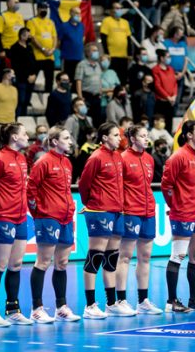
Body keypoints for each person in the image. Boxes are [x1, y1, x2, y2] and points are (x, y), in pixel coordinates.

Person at [26, 127, 81, 323]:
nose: (70, 141)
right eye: (66, 138)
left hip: (66, 218)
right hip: (48, 217)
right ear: (55, 141)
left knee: (62, 263)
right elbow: (30, 190)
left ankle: (61, 307)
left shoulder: (67, 162)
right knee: (43, 261)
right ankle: (36, 308)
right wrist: (39, 213)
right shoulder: (43, 162)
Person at [0, 123, 33, 327]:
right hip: (2, 217)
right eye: (24, 133)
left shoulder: (21, 158)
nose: (27, 136)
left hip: (20, 218)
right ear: (14, 137)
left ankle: (12, 310)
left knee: (16, 264)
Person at [78, 122, 131, 318]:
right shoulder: (96, 157)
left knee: (111, 257)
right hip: (99, 210)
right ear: (105, 137)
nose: (120, 138)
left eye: (119, 135)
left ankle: (111, 303)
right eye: (116, 135)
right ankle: (90, 305)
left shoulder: (117, 156)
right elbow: (83, 184)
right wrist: (91, 204)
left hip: (117, 211)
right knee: (95, 256)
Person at [161, 120, 195, 313]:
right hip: (183, 214)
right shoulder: (178, 157)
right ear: (189, 134)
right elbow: (166, 186)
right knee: (178, 255)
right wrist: (176, 206)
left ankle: (194, 299)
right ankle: (171, 301)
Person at [114, 125, 163, 315]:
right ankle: (120, 300)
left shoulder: (149, 158)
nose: (146, 138)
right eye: (142, 136)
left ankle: (143, 301)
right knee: (125, 256)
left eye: (147, 135)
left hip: (148, 211)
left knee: (145, 257)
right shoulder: (122, 158)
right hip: (130, 212)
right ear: (132, 139)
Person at [27, 3, 58, 93]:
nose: (44, 10)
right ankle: (28, 97)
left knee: (49, 80)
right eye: (42, 8)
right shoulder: (32, 21)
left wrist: (53, 49)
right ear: (37, 9)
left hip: (49, 56)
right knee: (32, 78)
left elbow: (54, 37)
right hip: (37, 56)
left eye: (45, 9)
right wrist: (43, 49)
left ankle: (48, 96)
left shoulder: (51, 22)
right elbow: (32, 38)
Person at [8, 27, 38, 117]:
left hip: (31, 78)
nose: (30, 37)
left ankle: (24, 119)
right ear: (22, 36)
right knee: (20, 101)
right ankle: (17, 119)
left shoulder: (29, 47)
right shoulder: (14, 48)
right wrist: (27, 76)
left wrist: (34, 75)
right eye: (28, 36)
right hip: (21, 79)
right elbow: (16, 66)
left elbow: (34, 62)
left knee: (26, 101)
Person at [100, 3, 132, 84]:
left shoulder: (125, 22)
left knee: (123, 78)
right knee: (112, 79)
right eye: (116, 8)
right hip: (112, 56)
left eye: (120, 8)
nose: (119, 10)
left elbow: (128, 39)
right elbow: (103, 37)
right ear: (111, 10)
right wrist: (106, 52)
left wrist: (130, 53)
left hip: (123, 56)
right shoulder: (107, 21)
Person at [75, 44, 103, 125]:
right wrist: (80, 97)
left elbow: (99, 79)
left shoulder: (98, 65)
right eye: (94, 50)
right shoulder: (81, 64)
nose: (96, 52)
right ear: (87, 53)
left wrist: (100, 91)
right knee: (88, 119)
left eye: (96, 50)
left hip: (97, 96)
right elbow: (78, 81)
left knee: (98, 120)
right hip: (86, 96)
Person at [55, 6, 85, 81]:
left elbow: (81, 39)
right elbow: (58, 42)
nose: (79, 15)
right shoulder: (64, 26)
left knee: (77, 80)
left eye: (80, 13)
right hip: (67, 58)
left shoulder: (81, 26)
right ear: (71, 13)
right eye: (76, 13)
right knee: (66, 79)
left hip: (79, 58)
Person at [152, 49, 177, 132]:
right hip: (161, 102)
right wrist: (168, 97)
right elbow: (157, 86)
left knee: (169, 125)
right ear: (162, 58)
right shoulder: (156, 69)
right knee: (160, 125)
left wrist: (174, 95)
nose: (170, 58)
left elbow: (175, 83)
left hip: (171, 101)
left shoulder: (171, 69)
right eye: (168, 57)